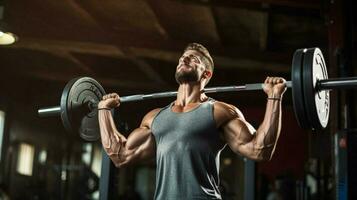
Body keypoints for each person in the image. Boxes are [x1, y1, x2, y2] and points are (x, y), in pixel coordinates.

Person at [98, 43, 287, 199]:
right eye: (182, 57)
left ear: (206, 74)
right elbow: (120, 155)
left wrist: (274, 97)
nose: (184, 59)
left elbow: (260, 150)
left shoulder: (219, 111)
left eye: (193, 58)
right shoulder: (154, 117)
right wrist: (103, 110)